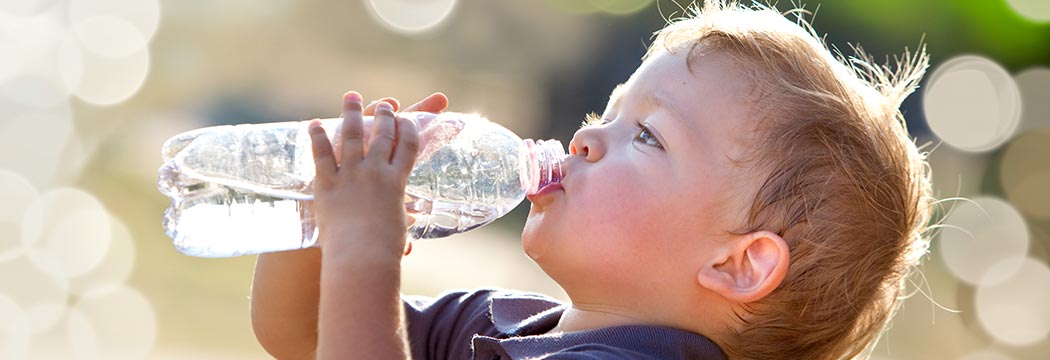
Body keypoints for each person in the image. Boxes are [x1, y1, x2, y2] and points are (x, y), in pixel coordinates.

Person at [250, 1, 934, 359]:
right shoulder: (504, 322)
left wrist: (365, 254)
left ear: (738, 263)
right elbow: (305, 336)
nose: (583, 138)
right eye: (605, 112)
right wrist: (318, 213)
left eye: (646, 135)